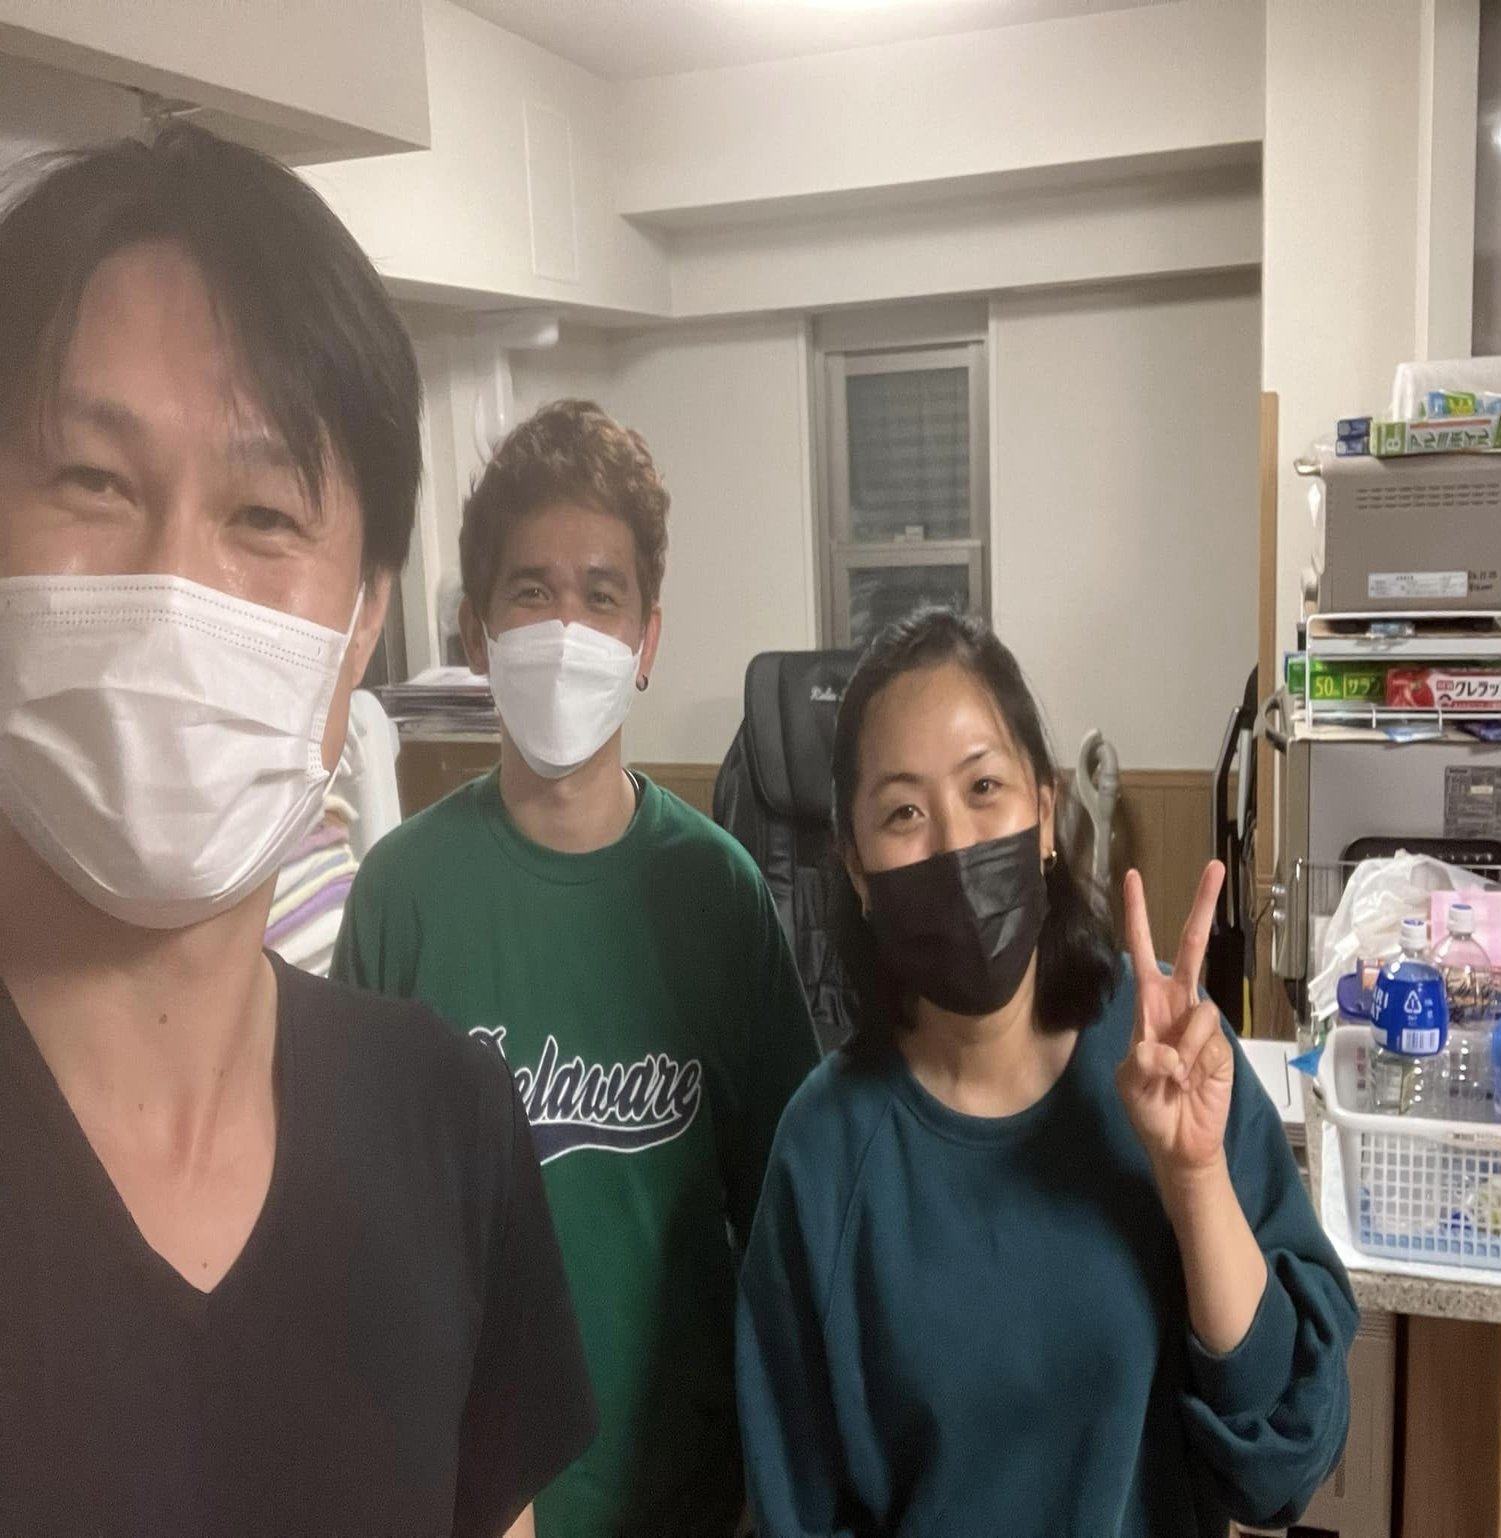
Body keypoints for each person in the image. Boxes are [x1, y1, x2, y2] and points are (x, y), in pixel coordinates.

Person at [0, 125, 595, 1538]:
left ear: (361, 616)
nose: (173, 586)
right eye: (93, 480)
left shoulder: (446, 1125)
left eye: (265, 512)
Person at [736, 609, 1357, 1538]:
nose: (954, 844)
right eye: (903, 812)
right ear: (855, 868)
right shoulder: (823, 1153)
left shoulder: (1171, 1054)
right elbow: (798, 1504)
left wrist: (1193, 1178)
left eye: (984, 787)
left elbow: (1286, 1461)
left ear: (1045, 814)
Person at [334, 398, 824, 1538]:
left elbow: (788, 1214)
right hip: (469, 1499)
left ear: (646, 640)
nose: (567, 627)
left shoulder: (717, 893)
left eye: (602, 596)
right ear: (476, 633)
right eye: (531, 591)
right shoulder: (402, 896)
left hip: (692, 1490)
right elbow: (358, 1235)